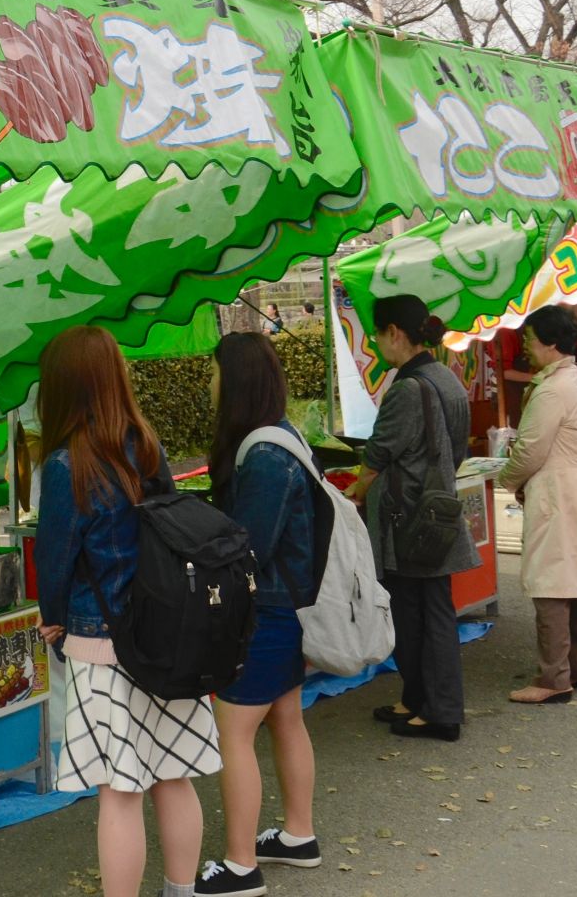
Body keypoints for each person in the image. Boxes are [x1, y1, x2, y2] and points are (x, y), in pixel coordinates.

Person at [33, 326, 211, 897]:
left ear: (60, 388)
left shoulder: (67, 465)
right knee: (173, 776)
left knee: (119, 788)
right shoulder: (147, 445)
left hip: (102, 641)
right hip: (166, 634)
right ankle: (182, 891)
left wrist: (52, 621)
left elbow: (55, 558)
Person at [197, 333, 321, 897]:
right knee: (286, 718)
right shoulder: (281, 438)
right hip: (287, 606)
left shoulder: (264, 454)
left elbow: (247, 547)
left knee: (235, 733)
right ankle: (298, 834)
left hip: (266, 611)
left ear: (236, 379)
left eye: (214, 371)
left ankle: (241, 865)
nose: (209, 382)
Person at [347, 296, 479, 742]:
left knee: (419, 612)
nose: (377, 342)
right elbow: (455, 446)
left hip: (409, 519)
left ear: (394, 334)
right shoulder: (446, 376)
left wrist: (357, 492)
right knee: (428, 608)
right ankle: (417, 699)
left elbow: (378, 454)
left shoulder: (406, 389)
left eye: (378, 333)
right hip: (437, 508)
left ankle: (439, 712)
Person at [498, 305, 577, 705]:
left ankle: (554, 678)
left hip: (561, 492)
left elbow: (530, 451)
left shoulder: (552, 389)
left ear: (550, 343)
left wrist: (506, 479)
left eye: (530, 339)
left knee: (552, 581)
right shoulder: (574, 379)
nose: (526, 347)